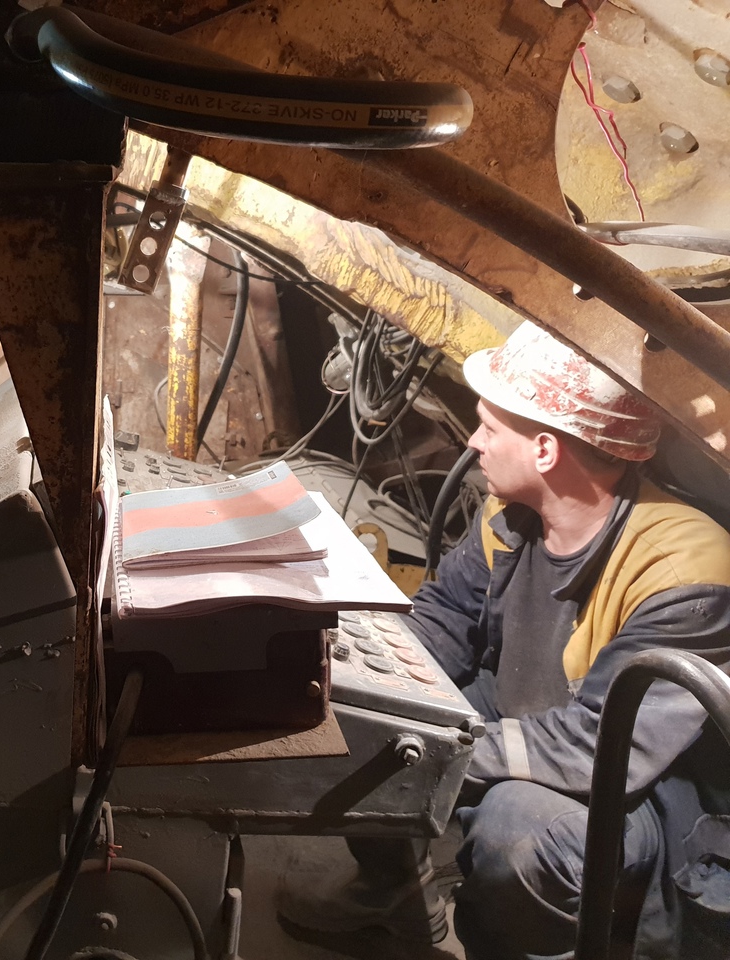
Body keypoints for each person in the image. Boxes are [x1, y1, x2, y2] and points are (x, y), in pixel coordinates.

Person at [277, 322, 730, 960]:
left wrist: (441, 747)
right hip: (527, 715)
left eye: (490, 427)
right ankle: (394, 897)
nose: (475, 441)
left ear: (545, 449)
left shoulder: (685, 567)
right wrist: (358, 673)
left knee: (517, 828)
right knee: (370, 714)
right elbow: (444, 619)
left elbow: (602, 747)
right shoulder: (514, 513)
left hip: (642, 793)